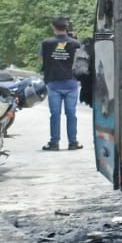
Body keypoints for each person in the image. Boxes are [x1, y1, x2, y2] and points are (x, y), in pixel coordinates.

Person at [40, 16, 82, 150]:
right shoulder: (76, 44)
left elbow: (41, 59)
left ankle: (54, 142)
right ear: (67, 27)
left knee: (55, 114)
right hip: (71, 83)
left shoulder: (46, 43)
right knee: (71, 114)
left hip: (53, 82)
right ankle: (73, 142)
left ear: (53, 27)